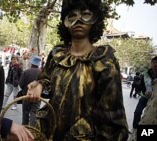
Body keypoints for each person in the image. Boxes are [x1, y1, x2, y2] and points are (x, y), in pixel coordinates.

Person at [26, 0, 128, 140]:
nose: (78, 20)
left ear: (95, 19)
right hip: (50, 133)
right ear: (65, 22)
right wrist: (40, 84)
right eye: (72, 16)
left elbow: (112, 117)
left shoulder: (104, 61)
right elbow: (47, 80)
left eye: (85, 14)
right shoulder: (57, 54)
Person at [131, 56, 157, 132]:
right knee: (137, 112)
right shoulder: (146, 74)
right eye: (154, 63)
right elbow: (140, 85)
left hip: (155, 100)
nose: (155, 64)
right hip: (145, 97)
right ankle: (135, 129)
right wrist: (142, 91)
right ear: (151, 64)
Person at [19, 55, 42, 126]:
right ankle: (32, 129)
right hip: (37, 97)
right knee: (34, 113)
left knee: (25, 112)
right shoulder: (42, 73)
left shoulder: (26, 72)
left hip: (26, 95)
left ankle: (25, 127)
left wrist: (25, 89)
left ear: (31, 63)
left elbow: (21, 84)